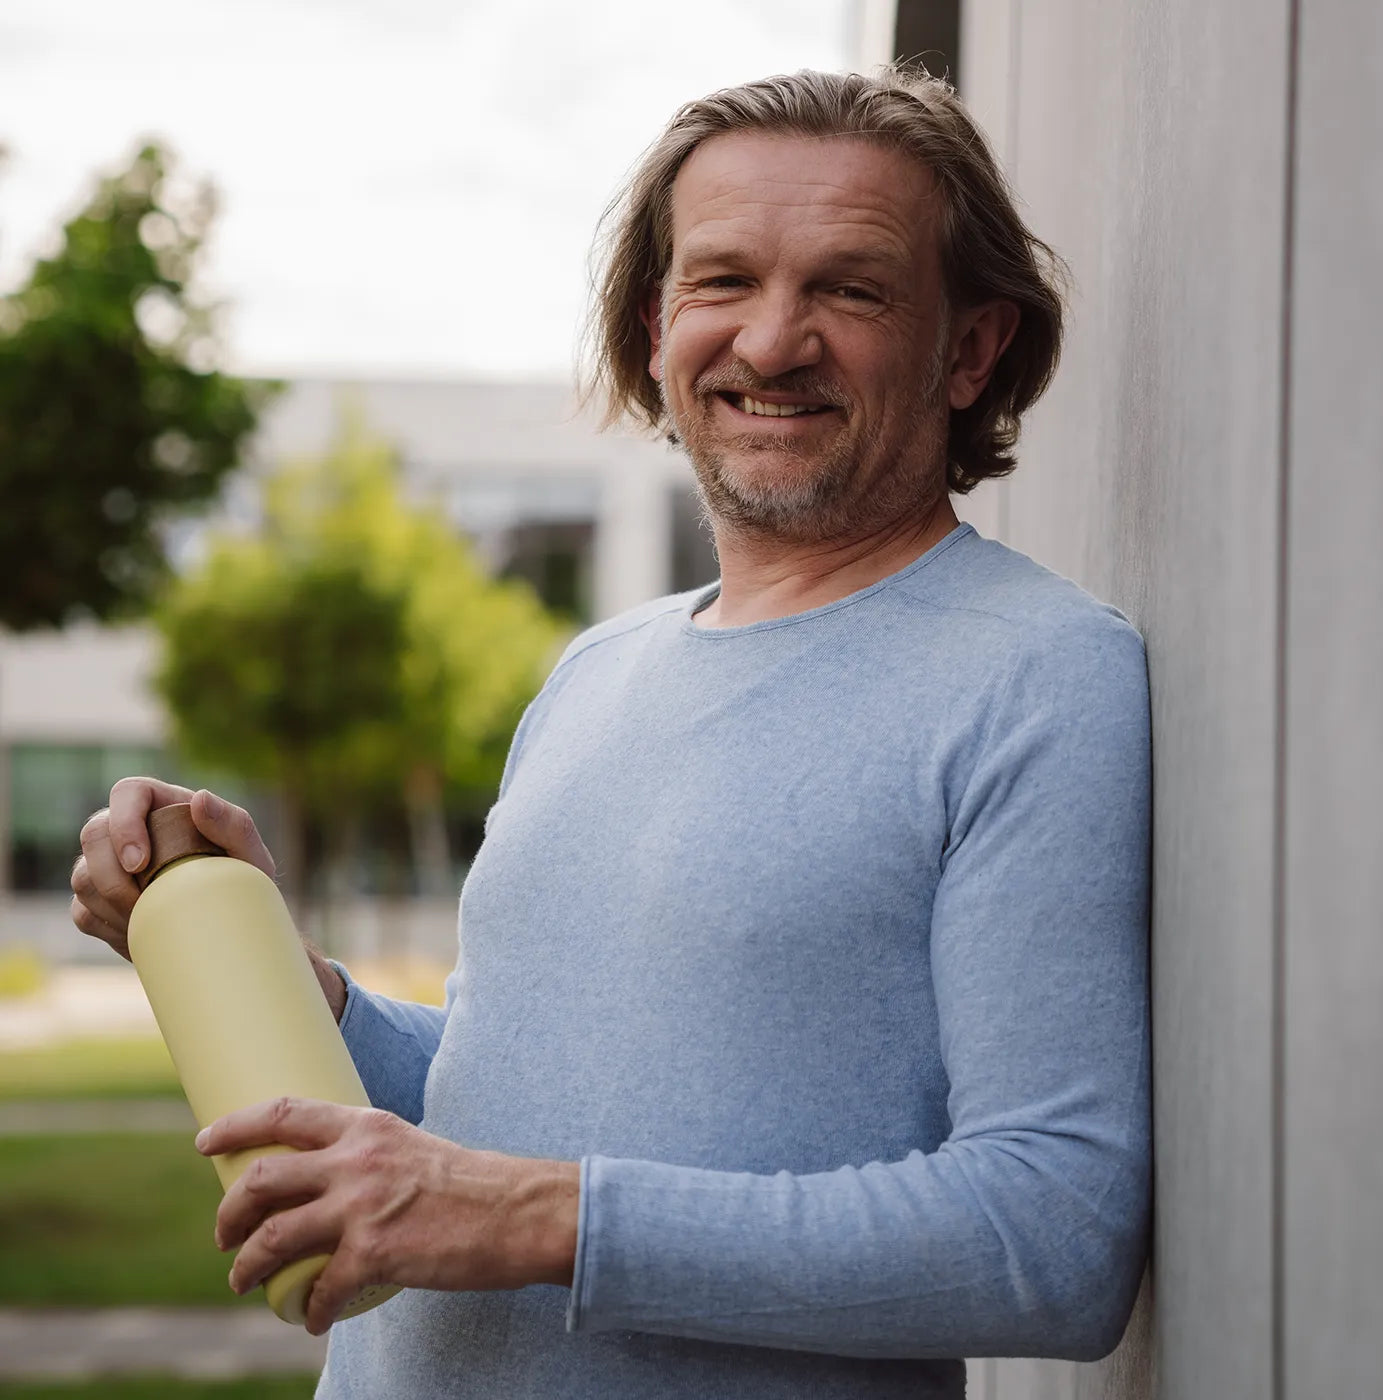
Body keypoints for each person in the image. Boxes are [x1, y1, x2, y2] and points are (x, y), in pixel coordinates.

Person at [71, 66, 1151, 1400]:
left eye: (851, 290)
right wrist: (274, 971)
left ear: (972, 349)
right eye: (721, 282)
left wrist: (532, 1216)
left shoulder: (1040, 675)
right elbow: (489, 1099)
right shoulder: (594, 674)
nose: (769, 342)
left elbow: (1052, 1234)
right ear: (655, 328)